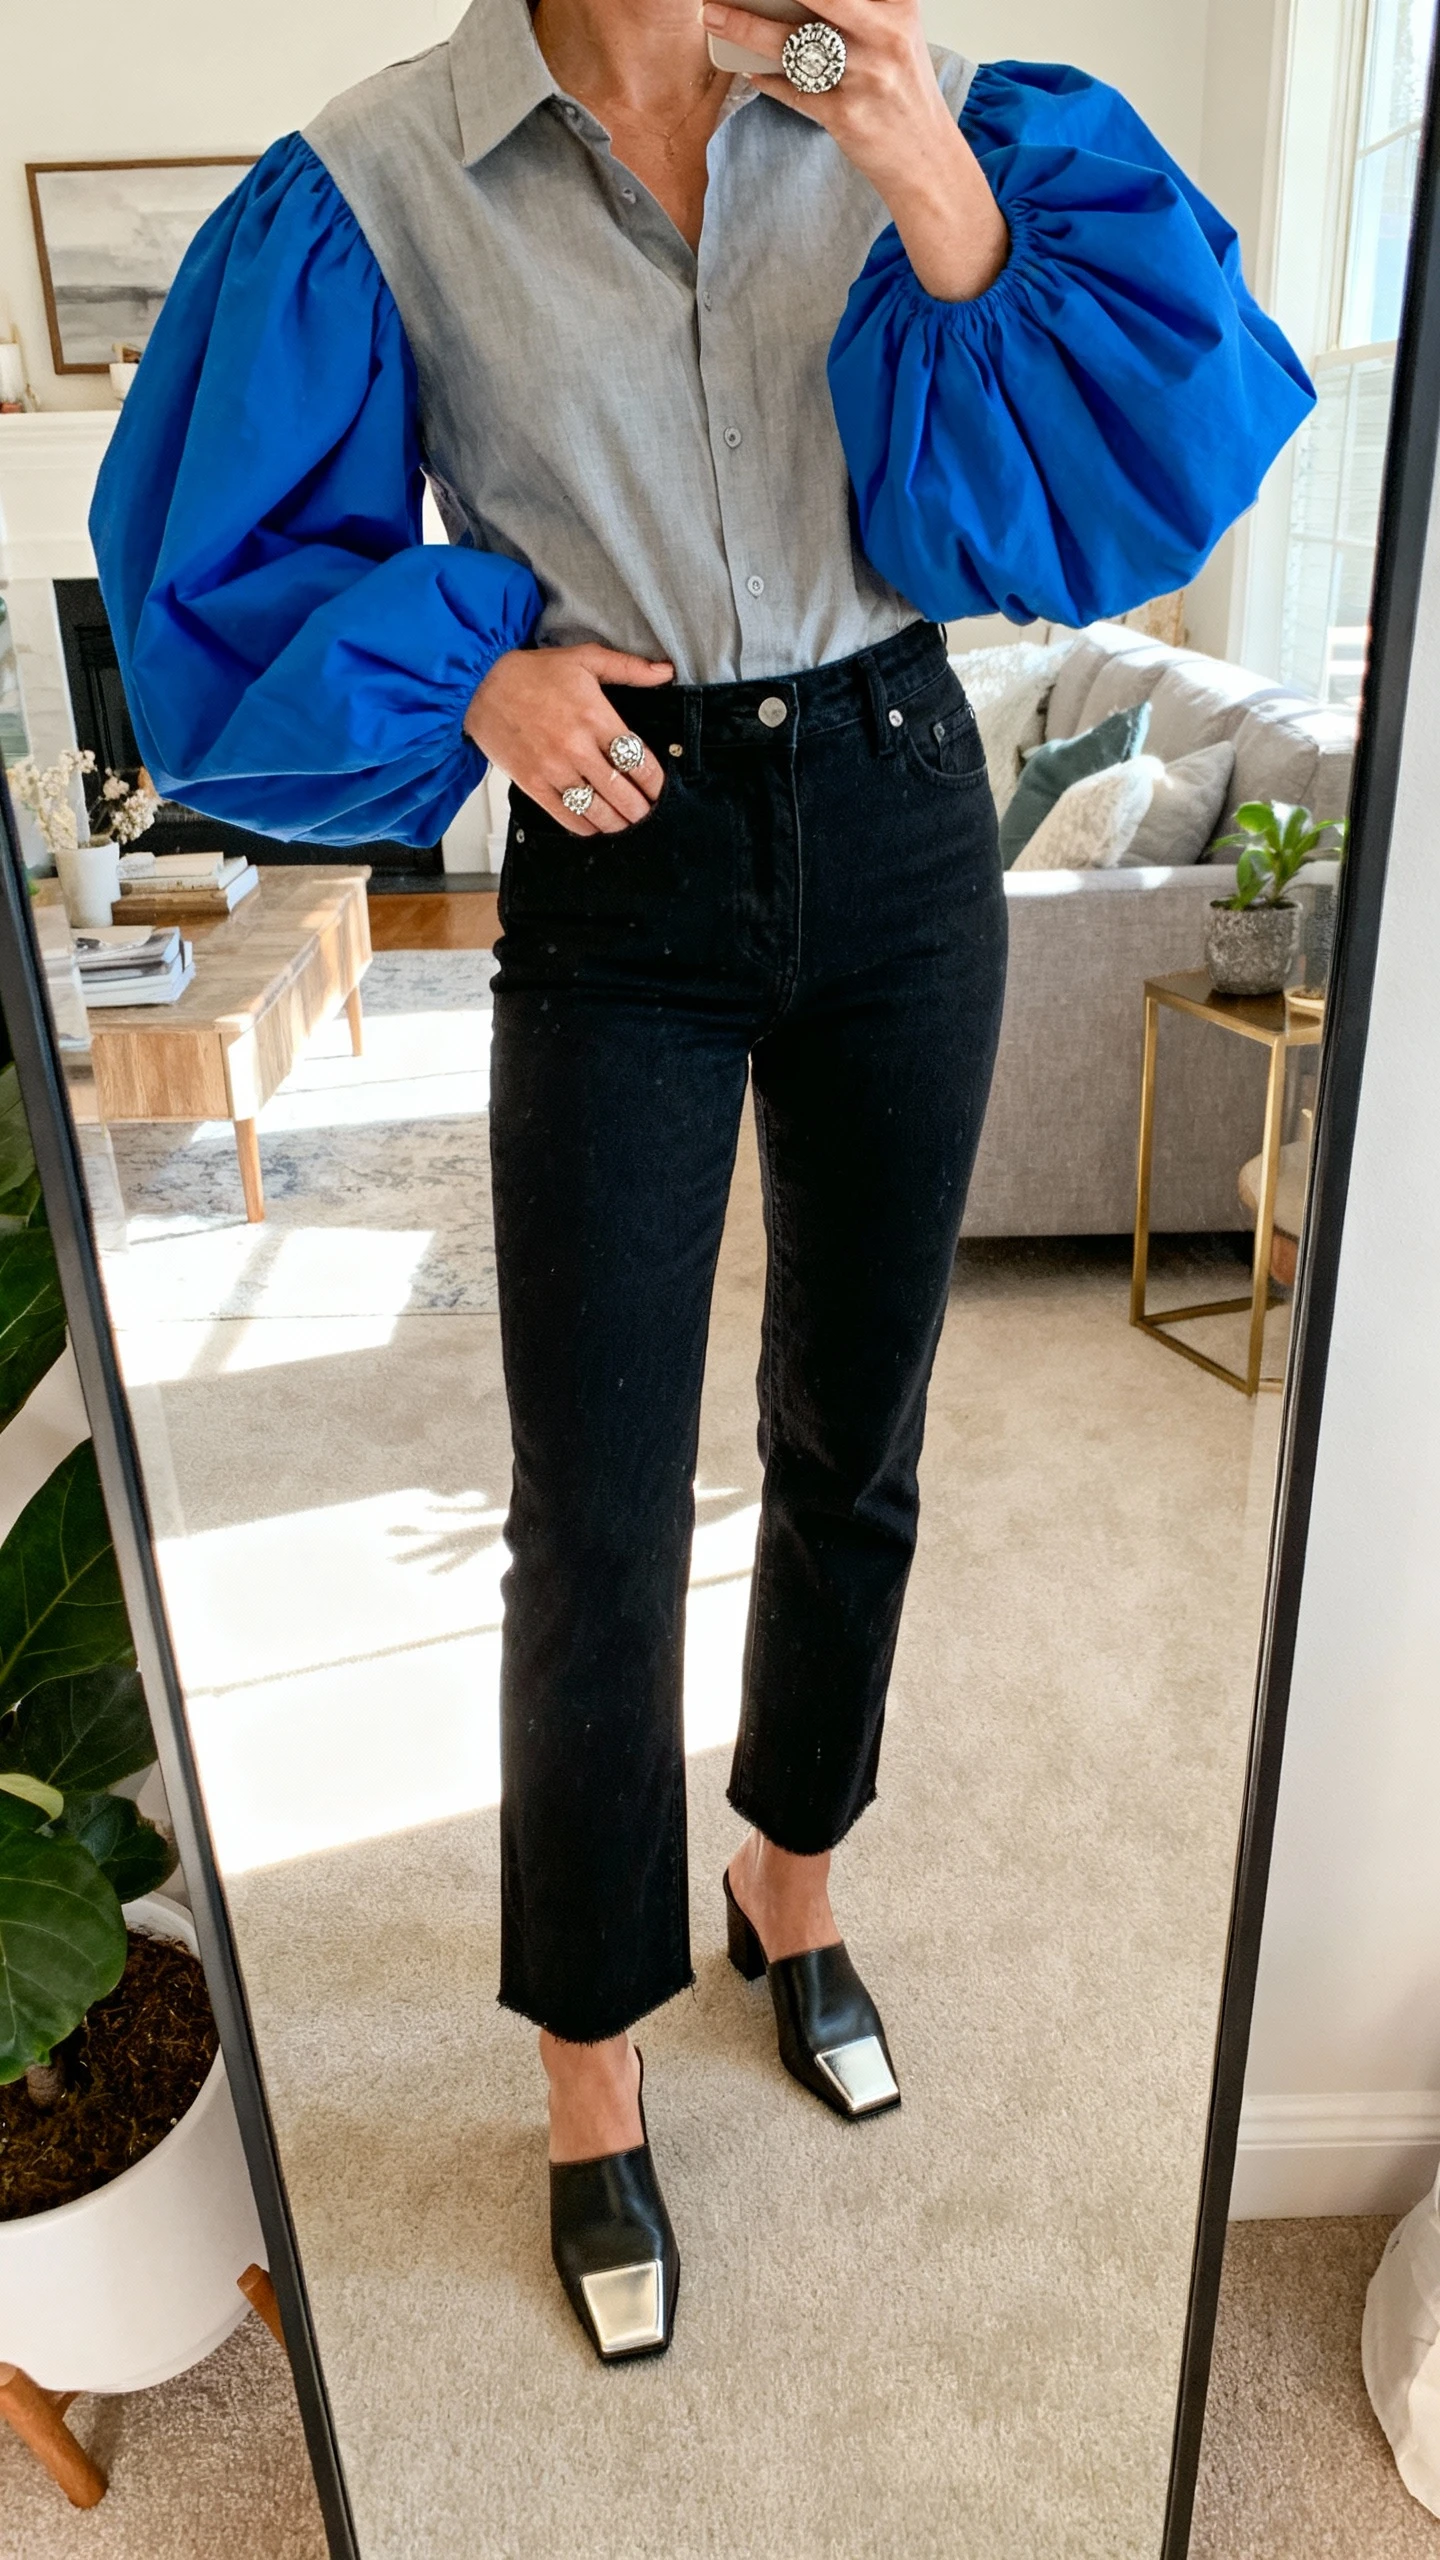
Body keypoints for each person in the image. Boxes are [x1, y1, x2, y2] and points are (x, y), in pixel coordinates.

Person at [91, 0, 1311, 2363]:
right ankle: (585, 2058)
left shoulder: (924, 110)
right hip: (615, 851)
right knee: (599, 1502)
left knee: (855, 1432)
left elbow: (1142, 470)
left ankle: (793, 1873)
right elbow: (215, 603)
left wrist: (924, 164)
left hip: (896, 808)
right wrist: (475, 683)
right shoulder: (375, 178)